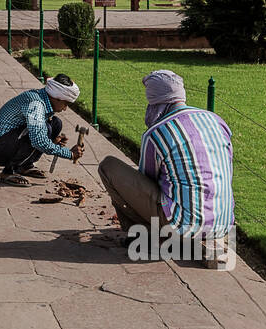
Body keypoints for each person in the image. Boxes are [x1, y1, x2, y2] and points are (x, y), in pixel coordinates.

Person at [97, 70, 235, 256]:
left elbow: (147, 180)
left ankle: (144, 235)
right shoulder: (217, 121)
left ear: (155, 101)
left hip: (182, 227)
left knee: (109, 166)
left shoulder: (157, 133)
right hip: (223, 223)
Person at [0, 74, 85, 185]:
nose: (65, 108)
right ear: (57, 97)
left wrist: (53, 142)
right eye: (65, 103)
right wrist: (69, 154)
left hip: (7, 140)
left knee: (56, 123)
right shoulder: (36, 104)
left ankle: (24, 165)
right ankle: (8, 172)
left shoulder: (43, 98)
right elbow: (39, 141)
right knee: (43, 130)